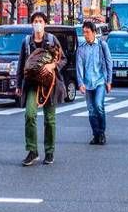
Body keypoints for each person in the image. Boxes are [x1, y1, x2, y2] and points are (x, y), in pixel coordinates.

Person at [18, 15, 65, 166]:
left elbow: (63, 59)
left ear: (45, 24)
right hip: (32, 84)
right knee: (30, 115)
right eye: (35, 22)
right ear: (31, 24)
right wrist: (18, 85)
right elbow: (21, 63)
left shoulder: (52, 40)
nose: (38, 24)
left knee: (49, 119)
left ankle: (49, 152)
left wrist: (53, 66)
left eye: (40, 21)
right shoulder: (27, 42)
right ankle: (32, 151)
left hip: (49, 83)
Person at [76, 21, 113, 145]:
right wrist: (80, 83)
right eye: (84, 32)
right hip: (87, 83)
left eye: (87, 32)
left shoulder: (102, 45)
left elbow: (109, 62)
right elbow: (79, 66)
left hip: (100, 81)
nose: (85, 35)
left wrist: (109, 81)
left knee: (98, 106)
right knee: (91, 110)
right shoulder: (81, 48)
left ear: (94, 32)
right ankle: (95, 134)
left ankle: (101, 133)